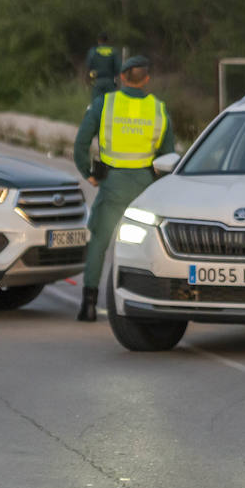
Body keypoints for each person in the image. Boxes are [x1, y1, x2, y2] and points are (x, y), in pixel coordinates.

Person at [72, 56, 173, 322]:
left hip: (112, 186)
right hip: (145, 189)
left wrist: (90, 174)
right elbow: (168, 157)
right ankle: (149, 301)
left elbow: (80, 144)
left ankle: (89, 305)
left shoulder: (104, 103)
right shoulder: (159, 110)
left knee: (99, 244)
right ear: (147, 79)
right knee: (149, 244)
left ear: (122, 77)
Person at [84, 33, 121, 103]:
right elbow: (117, 68)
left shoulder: (93, 51)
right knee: (110, 106)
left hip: (96, 82)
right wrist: (117, 82)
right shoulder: (113, 51)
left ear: (98, 40)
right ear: (107, 41)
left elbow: (88, 67)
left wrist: (87, 81)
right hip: (110, 82)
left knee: (96, 105)